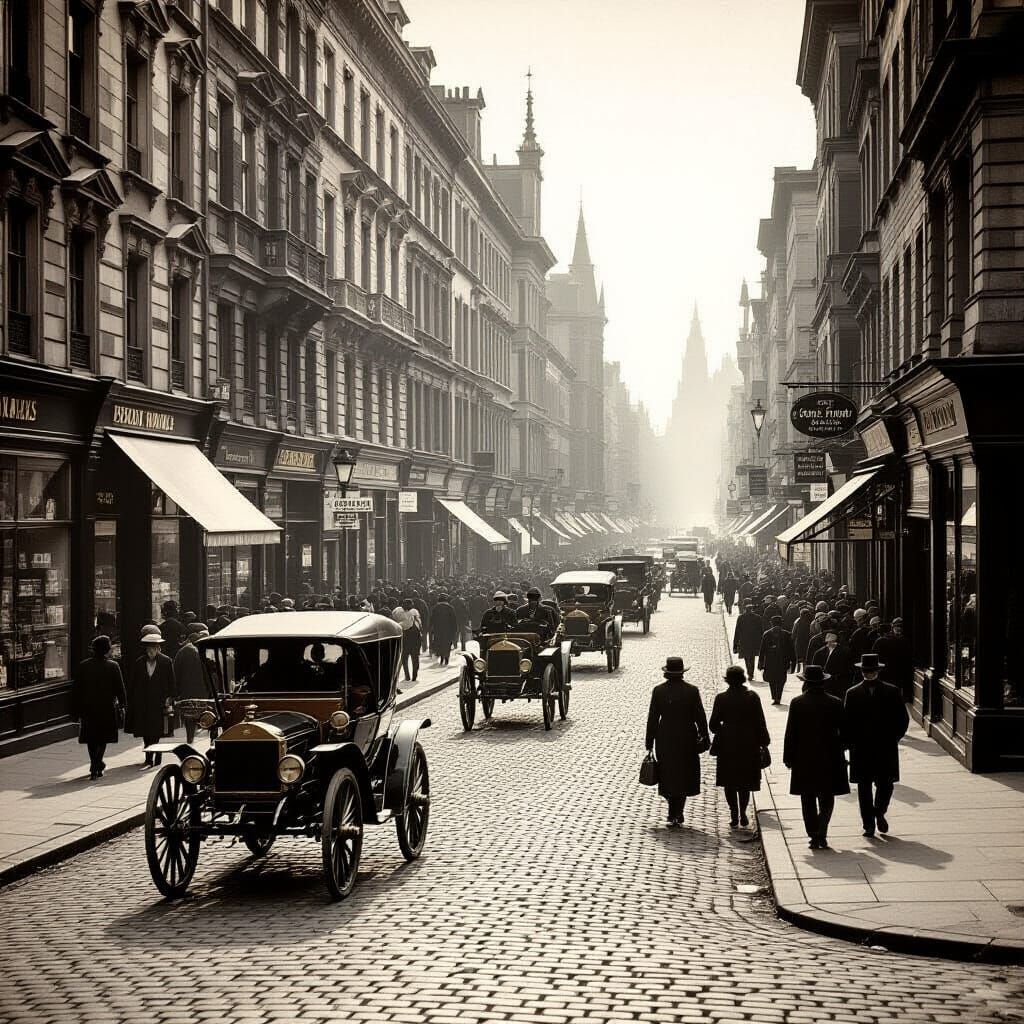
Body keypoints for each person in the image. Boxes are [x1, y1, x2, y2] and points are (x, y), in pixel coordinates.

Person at [783, 664, 849, 850]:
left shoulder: (797, 703)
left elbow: (791, 733)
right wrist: (842, 750)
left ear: (806, 683)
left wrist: (788, 757)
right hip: (830, 757)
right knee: (827, 797)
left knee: (807, 797)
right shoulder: (835, 702)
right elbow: (845, 732)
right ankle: (822, 829)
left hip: (804, 757)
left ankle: (813, 833)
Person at [844, 653, 909, 837]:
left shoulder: (892, 691)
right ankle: (868, 824)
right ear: (862, 672)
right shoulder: (852, 693)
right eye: (866, 671)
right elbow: (847, 722)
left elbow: (902, 719)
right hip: (862, 748)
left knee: (886, 785)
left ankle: (879, 812)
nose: (869, 673)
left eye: (871, 671)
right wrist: (849, 743)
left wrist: (894, 738)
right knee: (864, 788)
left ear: (877, 671)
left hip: (884, 746)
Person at [644, 657, 709, 828]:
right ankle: (678, 810)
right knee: (684, 774)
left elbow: (653, 718)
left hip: (665, 737)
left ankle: (672, 810)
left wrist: (649, 742)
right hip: (687, 736)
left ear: (666, 672)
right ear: (682, 673)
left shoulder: (659, 691)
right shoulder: (692, 691)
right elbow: (700, 716)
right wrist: (705, 736)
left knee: (667, 773)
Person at [709, 666, 770, 828]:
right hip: (748, 743)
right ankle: (743, 811)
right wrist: (764, 741)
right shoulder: (752, 697)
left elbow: (713, 724)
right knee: (745, 782)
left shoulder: (721, 698)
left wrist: (724, 730)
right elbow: (760, 721)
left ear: (727, 680)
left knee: (729, 781)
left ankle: (733, 813)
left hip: (727, 744)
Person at [72, 635, 127, 779]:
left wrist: (76, 709)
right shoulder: (113, 666)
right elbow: (120, 688)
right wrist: (123, 704)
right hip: (106, 707)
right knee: (103, 738)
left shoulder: (84, 666)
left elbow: (76, 689)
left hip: (88, 708)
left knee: (91, 738)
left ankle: (94, 764)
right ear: (107, 649)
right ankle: (97, 763)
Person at [127, 630, 175, 768]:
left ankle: (156, 754)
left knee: (156, 731)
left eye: (154, 648)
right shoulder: (139, 663)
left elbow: (171, 682)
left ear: (158, 648)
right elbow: (133, 683)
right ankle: (149, 757)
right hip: (143, 702)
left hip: (159, 702)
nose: (151, 651)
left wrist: (170, 698)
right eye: (149, 648)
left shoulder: (166, 661)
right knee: (145, 731)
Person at [172, 623, 209, 743]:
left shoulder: (182, 652)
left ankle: (190, 739)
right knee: (206, 717)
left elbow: (175, 673)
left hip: (186, 693)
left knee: (190, 718)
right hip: (202, 692)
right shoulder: (202, 651)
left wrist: (176, 692)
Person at [757, 615, 797, 705]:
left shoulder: (767, 634)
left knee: (772, 680)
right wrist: (793, 662)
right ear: (781, 623)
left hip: (770, 662)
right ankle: (778, 697)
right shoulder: (787, 634)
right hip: (783, 662)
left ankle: (775, 697)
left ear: (771, 624)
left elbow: (762, 651)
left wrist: (760, 663)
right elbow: (792, 650)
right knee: (781, 680)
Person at [873, 618, 913, 702]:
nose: (899, 631)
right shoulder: (905, 642)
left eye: (900, 628)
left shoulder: (881, 641)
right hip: (895, 677)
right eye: (897, 627)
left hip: (886, 676)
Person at [813, 629, 854, 700]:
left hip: (839, 683)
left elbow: (849, 669)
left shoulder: (844, 652)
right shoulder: (819, 653)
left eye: (832, 641)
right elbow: (815, 668)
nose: (830, 643)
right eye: (829, 642)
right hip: (824, 683)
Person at [733, 602, 764, 681]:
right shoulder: (757, 617)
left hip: (744, 641)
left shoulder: (741, 617)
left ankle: (749, 672)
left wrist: (735, 645)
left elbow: (737, 631)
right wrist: (761, 642)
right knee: (752, 658)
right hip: (754, 641)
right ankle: (751, 673)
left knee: (746, 658)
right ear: (752, 610)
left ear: (745, 609)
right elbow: (761, 631)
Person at [392, 598, 422, 682]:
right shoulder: (410, 613)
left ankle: (410, 676)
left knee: (407, 659)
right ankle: (411, 676)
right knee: (410, 659)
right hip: (410, 640)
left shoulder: (403, 613)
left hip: (408, 640)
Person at [429, 593, 458, 667]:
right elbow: (454, 620)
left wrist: (431, 628)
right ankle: (447, 658)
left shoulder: (435, 607)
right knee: (447, 644)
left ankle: (442, 658)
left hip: (438, 629)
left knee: (440, 644)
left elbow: (432, 619)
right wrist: (455, 630)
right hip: (448, 630)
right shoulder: (450, 608)